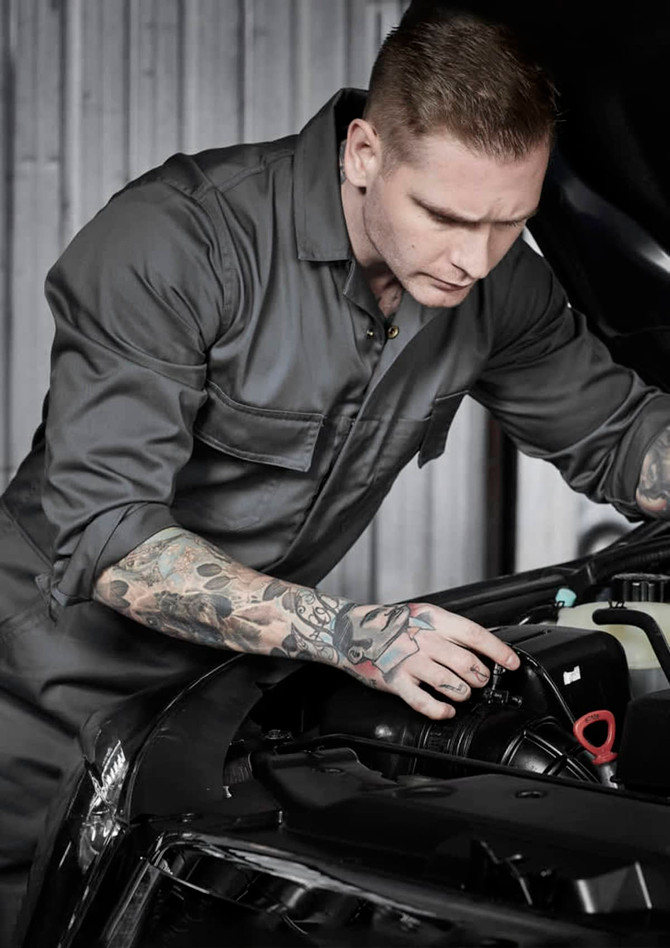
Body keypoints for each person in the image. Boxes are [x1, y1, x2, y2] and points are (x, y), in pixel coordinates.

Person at [3, 4, 670, 943]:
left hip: (232, 708)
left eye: (508, 221)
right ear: (364, 153)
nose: (472, 258)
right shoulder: (178, 242)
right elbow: (112, 536)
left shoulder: (493, 279)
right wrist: (354, 633)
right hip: (39, 705)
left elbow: (620, 436)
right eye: (443, 215)